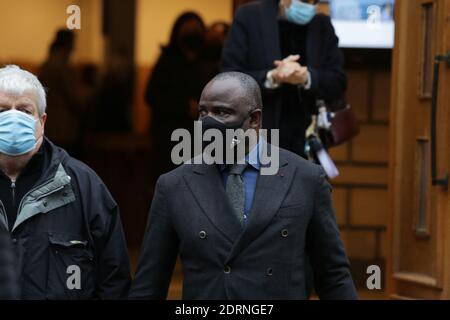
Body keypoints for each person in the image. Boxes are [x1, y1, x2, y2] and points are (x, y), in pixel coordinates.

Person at [129, 72, 357, 300]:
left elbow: (333, 276)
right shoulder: (174, 185)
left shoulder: (305, 178)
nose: (208, 122)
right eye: (202, 112)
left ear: (254, 119)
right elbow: (149, 285)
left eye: (221, 112)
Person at [0, 65, 131, 299]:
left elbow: (114, 280)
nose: (12, 118)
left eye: (24, 110)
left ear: (42, 121)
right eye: (1, 110)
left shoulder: (83, 185)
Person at [222, 0, 347, 158]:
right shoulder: (249, 17)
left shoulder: (321, 24)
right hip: (259, 139)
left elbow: (338, 80)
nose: (308, 5)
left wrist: (306, 77)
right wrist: (272, 77)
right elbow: (229, 77)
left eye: (313, 1)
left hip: (307, 141)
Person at [145, 12, 209, 177]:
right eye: (188, 30)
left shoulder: (208, 61)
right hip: (169, 137)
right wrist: (184, 105)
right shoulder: (167, 60)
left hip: (201, 139)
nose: (193, 34)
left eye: (196, 29)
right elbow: (151, 95)